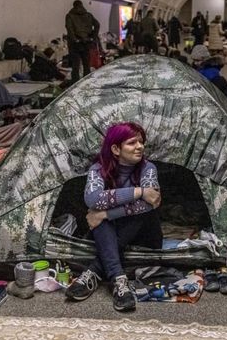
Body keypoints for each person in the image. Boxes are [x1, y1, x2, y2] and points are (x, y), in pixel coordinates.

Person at [66, 122, 162, 312]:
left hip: (143, 234)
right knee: (99, 219)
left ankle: (93, 271)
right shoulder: (98, 170)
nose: (140, 147)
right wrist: (138, 191)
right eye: (132, 143)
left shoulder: (148, 168)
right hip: (110, 233)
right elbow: (93, 200)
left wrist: (106, 213)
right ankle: (119, 280)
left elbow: (150, 203)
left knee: (133, 214)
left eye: (141, 142)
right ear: (116, 149)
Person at [65, 0, 99, 81]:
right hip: (86, 42)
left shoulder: (69, 16)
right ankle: (85, 83)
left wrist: (74, 39)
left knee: (75, 66)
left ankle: (75, 84)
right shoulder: (89, 15)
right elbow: (97, 24)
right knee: (86, 65)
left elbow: (69, 28)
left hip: (75, 44)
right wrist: (93, 37)